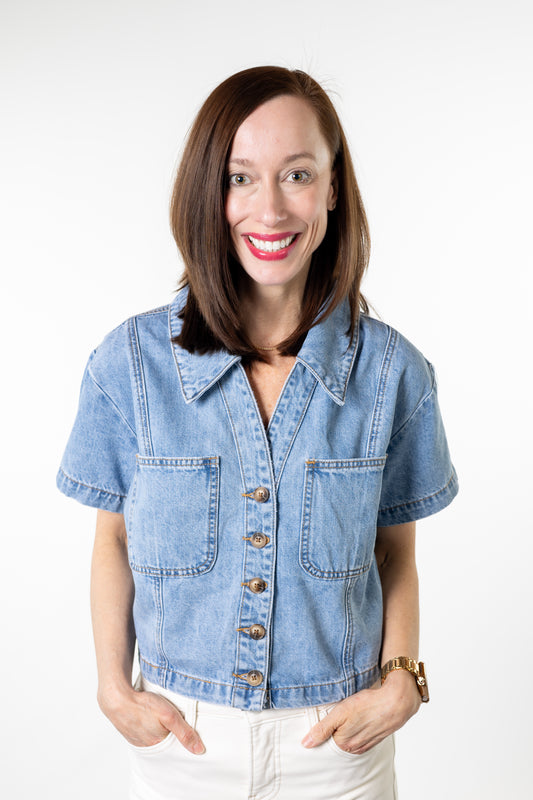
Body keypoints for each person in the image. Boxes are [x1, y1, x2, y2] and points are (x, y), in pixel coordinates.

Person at [57, 66, 458, 799]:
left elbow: (395, 550)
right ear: (208, 192)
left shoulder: (392, 373)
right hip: (184, 744)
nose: (269, 209)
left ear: (332, 189)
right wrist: (112, 685)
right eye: (240, 178)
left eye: (297, 174)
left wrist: (403, 677)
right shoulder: (130, 365)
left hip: (338, 747)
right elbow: (113, 538)